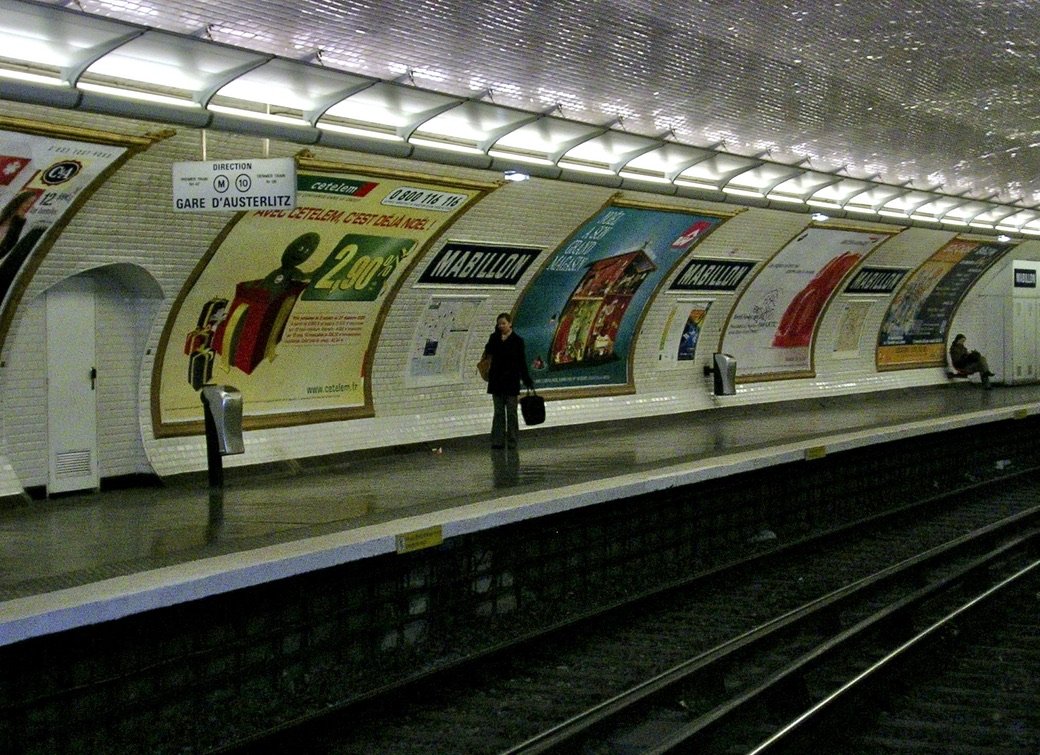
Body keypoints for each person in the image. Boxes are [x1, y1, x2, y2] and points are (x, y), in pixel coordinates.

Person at [482, 312, 534, 448]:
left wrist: (526, 378)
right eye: (499, 324)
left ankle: (512, 440)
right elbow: (488, 351)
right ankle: (497, 441)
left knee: (511, 413)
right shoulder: (494, 338)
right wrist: (494, 337)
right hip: (497, 381)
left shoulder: (518, 341)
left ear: (510, 324)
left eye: (503, 323)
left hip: (511, 381)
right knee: (498, 412)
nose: (501, 326)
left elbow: (521, 362)